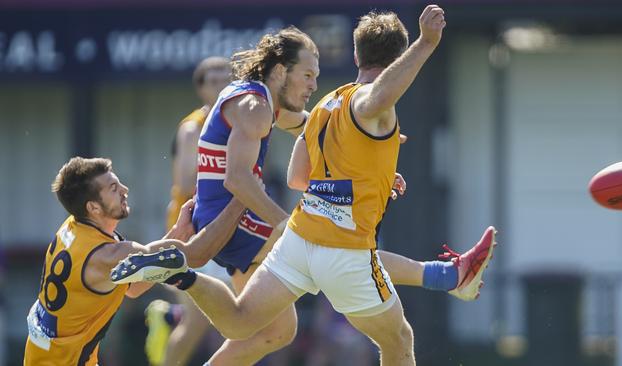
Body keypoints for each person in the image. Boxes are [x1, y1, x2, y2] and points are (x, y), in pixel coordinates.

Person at [112, 6, 497, 366]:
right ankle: (452, 277)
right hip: (332, 248)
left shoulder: (326, 106)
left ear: (356, 56)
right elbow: (379, 95)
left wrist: (373, 174)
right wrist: (426, 44)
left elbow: (300, 176)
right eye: (307, 74)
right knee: (399, 337)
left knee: (242, 322)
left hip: (299, 242)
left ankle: (181, 272)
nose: (313, 82)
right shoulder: (362, 100)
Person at [23, 157, 244, 366]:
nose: (124, 190)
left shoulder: (73, 225)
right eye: (113, 188)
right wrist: (240, 201)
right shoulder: (109, 255)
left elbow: (133, 288)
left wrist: (178, 232)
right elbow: (196, 254)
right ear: (93, 207)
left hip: (40, 356)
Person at [145, 56, 233, 366]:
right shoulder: (193, 128)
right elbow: (185, 182)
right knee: (200, 324)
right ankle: (170, 321)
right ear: (201, 89)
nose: (222, 83)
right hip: (195, 235)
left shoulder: (239, 121)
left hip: (225, 233)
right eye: (214, 79)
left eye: (228, 77)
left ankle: (170, 316)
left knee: (237, 318)